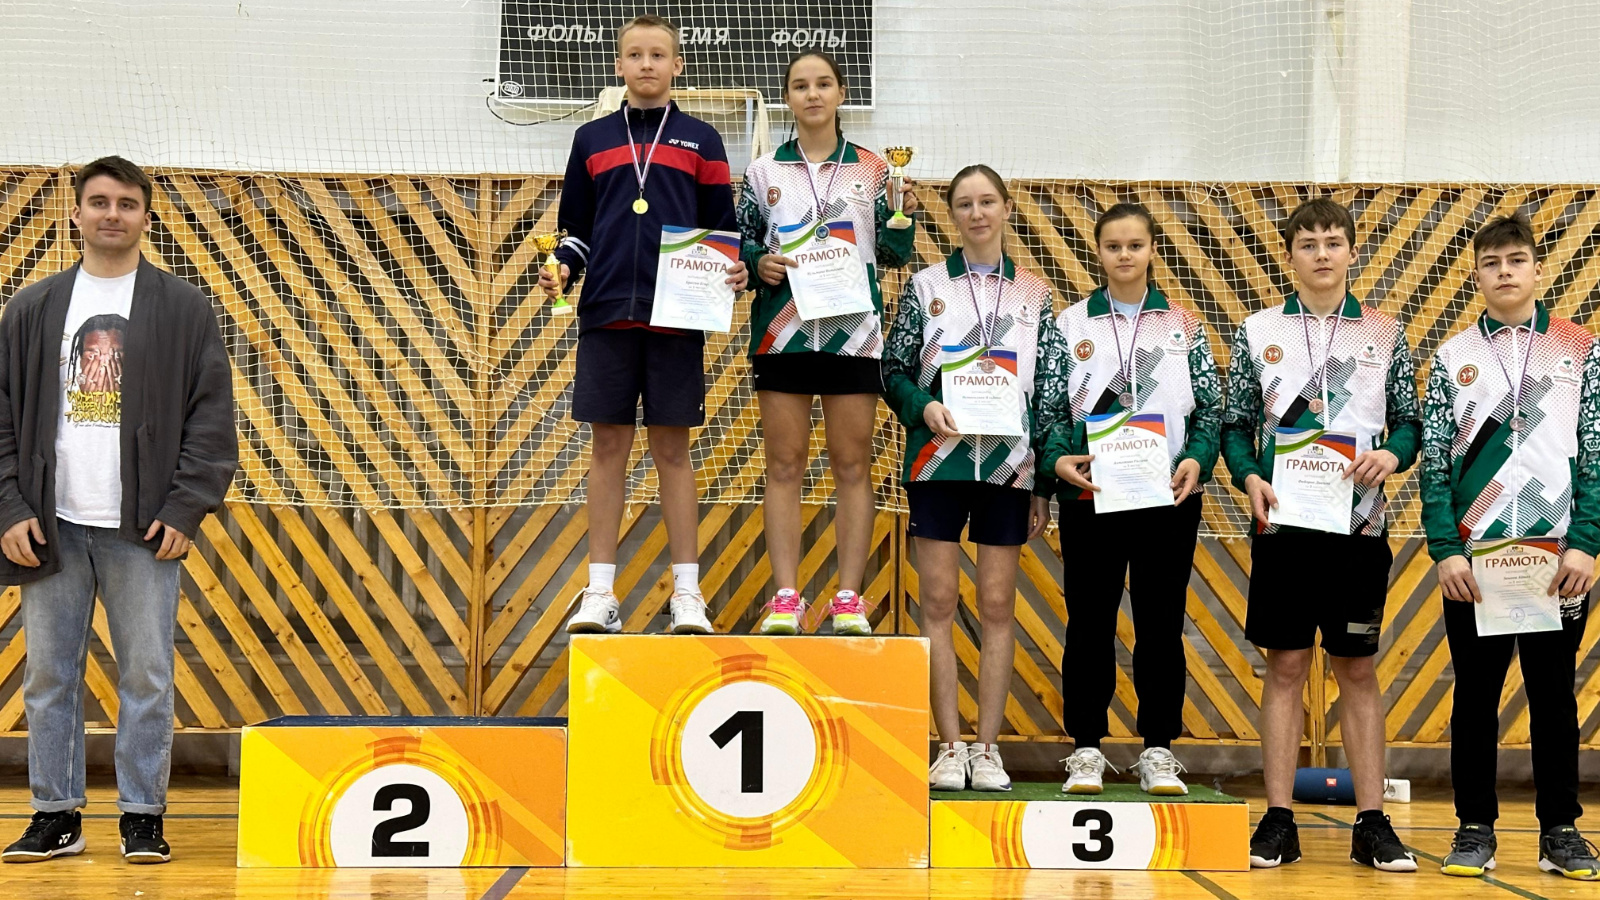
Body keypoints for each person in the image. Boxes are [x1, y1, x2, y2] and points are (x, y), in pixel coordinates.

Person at [0, 156, 237, 864]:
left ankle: (142, 814)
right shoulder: (33, 307)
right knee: (48, 677)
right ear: (75, 213)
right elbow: (2, 415)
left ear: (145, 216)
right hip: (52, 522)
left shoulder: (183, 308)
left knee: (146, 676)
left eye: (126, 203)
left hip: (143, 526)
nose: (112, 214)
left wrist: (186, 507)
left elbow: (212, 418)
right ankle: (55, 815)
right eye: (99, 201)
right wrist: (10, 506)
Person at [1221, 197, 1420, 871]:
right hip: (1283, 524)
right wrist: (1249, 476)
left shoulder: (1385, 334)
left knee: (1357, 668)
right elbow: (1234, 426)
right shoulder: (1258, 331)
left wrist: (1391, 455)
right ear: (1289, 256)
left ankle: (1372, 822)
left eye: (1333, 242)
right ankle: (1278, 819)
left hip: (1358, 528)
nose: (1322, 254)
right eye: (1308, 244)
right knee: (1284, 666)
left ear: (1352, 251)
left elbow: (1409, 423)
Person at [548, 15, 748, 636]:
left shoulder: (703, 141)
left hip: (677, 319)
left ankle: (687, 594)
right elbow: (577, 230)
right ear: (619, 65)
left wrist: (736, 269)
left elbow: (722, 231)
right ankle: (600, 594)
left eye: (658, 54)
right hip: (607, 312)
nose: (646, 64)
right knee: (607, 449)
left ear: (677, 65)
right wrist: (563, 266)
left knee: (672, 451)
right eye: (634, 54)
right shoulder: (590, 139)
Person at [1421, 215, 1600, 880]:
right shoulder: (1452, 356)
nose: (1504, 272)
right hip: (1476, 557)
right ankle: (1474, 828)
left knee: (1554, 696)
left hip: (1557, 557)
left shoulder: (1581, 349)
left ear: (1537, 269)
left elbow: (1596, 450)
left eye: (1516, 260)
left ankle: (1561, 831)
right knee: (1475, 695)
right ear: (1476, 275)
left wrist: (1586, 543)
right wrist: (1446, 548)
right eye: (1492, 262)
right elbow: (1434, 461)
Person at [883, 165, 1063, 791]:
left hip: (1010, 467)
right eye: (965, 204)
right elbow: (892, 369)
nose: (977, 213)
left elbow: (1051, 394)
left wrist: (1044, 486)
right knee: (937, 601)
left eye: (987, 201)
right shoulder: (925, 286)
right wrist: (923, 406)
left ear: (1007, 208)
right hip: (937, 461)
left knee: (996, 606)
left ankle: (987, 749)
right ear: (953, 214)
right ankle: (949, 746)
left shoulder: (1037, 295)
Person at [1043, 203, 1222, 796]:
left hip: (1166, 497)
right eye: (1114, 246)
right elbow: (1050, 409)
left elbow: (1210, 410)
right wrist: (1058, 459)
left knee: (1161, 624)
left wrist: (1197, 457)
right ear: (1098, 253)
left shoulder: (1185, 326)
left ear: (1152, 251)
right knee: (1088, 621)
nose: (1125, 255)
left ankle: (1158, 749)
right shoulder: (1070, 324)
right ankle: (1086, 748)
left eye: (1135, 245)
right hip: (1092, 495)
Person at [737, 50, 917, 635]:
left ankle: (848, 598)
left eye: (822, 84)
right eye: (799, 85)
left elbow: (893, 254)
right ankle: (786, 597)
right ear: (787, 97)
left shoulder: (876, 169)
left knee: (852, 464)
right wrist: (757, 262)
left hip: (853, 335)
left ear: (841, 93)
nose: (812, 94)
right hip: (782, 333)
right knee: (783, 464)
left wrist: (903, 218)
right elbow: (740, 241)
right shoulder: (763, 171)